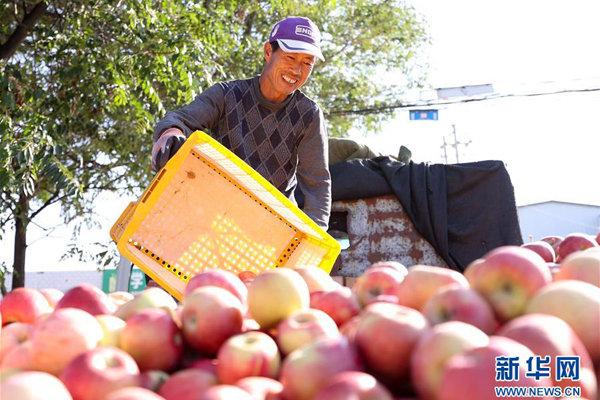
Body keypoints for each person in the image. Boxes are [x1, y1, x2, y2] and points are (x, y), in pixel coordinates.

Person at [152, 16, 331, 230]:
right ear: (268, 52)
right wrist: (169, 134)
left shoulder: (308, 114)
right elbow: (178, 120)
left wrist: (315, 237)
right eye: (290, 57)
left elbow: (317, 183)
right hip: (216, 219)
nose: (297, 70)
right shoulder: (227, 95)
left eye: (307, 63)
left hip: (274, 227)